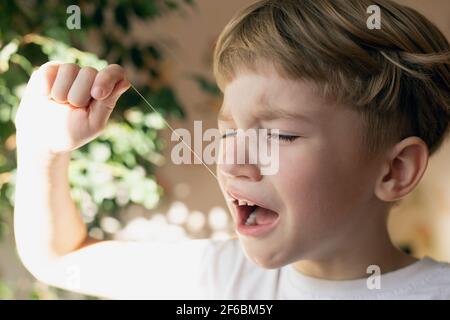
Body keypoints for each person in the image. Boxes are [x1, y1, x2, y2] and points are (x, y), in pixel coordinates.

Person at [14, 0, 450, 299]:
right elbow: (60, 258)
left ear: (394, 170)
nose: (232, 160)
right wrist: (41, 149)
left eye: (279, 136)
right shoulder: (222, 278)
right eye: (226, 133)